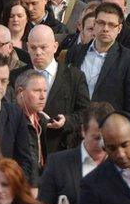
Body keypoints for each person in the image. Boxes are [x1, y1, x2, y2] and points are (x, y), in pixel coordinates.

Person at [36, 102, 114, 204]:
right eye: (96, 138)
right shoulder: (58, 164)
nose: (102, 144)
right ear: (83, 131)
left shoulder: (122, 166)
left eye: (107, 138)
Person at [13, 25, 91, 154]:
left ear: (55, 47)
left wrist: (66, 121)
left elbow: (86, 113)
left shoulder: (74, 76)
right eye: (33, 48)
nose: (38, 52)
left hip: (61, 150)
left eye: (43, 47)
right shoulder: (15, 76)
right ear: (27, 47)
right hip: (26, 150)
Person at [65, 2, 130, 120]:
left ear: (119, 28)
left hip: (109, 130)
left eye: (111, 25)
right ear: (95, 24)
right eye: (101, 23)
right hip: (75, 127)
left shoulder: (128, 59)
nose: (105, 29)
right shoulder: (75, 52)